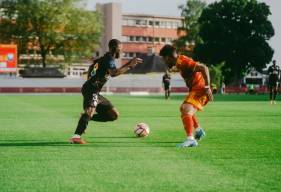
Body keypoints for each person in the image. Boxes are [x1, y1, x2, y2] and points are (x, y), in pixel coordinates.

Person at [70, 39, 142, 144]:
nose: (121, 52)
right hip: (91, 89)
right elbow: (113, 73)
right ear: (115, 49)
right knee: (89, 111)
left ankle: (85, 118)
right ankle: (76, 137)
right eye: (120, 49)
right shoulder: (109, 58)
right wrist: (130, 65)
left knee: (114, 115)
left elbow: (92, 68)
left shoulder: (105, 58)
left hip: (94, 90)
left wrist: (128, 64)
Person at [159, 45, 213, 148]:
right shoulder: (179, 62)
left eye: (164, 59)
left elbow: (203, 68)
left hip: (200, 88)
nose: (164, 62)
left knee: (186, 109)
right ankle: (198, 130)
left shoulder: (183, 61)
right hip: (195, 89)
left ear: (167, 57)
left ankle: (190, 139)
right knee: (184, 109)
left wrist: (207, 87)